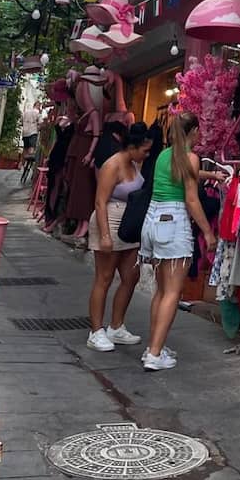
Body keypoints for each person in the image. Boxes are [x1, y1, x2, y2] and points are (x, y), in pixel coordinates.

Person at [139, 112, 216, 372]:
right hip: (174, 223)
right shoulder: (190, 158)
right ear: (193, 131)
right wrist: (208, 232)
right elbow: (191, 200)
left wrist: (212, 177)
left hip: (153, 219)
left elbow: (185, 171)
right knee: (172, 293)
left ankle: (154, 347)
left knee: (161, 291)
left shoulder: (164, 155)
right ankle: (154, 354)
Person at [86, 121, 152, 353]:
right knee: (104, 278)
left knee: (131, 276)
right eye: (144, 150)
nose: (147, 154)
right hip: (110, 221)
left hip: (129, 225)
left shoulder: (134, 164)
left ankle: (116, 325)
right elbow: (100, 201)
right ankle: (96, 331)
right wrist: (105, 235)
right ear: (132, 147)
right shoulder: (112, 165)